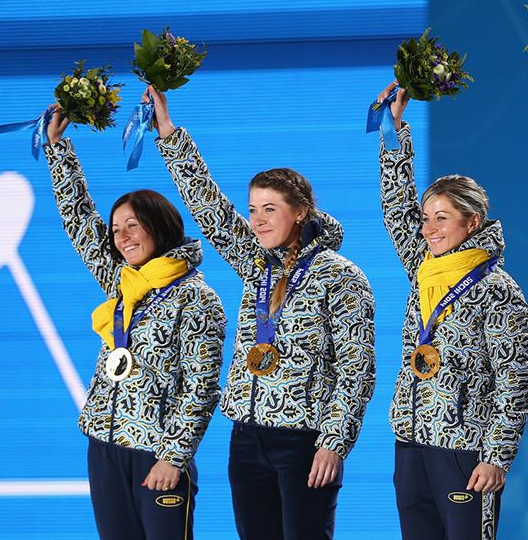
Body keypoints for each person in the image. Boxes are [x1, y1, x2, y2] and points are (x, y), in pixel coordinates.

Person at [144, 87, 377, 540]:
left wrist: (334, 443)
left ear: (301, 212)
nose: (258, 220)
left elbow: (358, 369)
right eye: (253, 210)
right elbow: (209, 208)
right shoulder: (256, 264)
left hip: (304, 440)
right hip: (247, 437)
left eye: (270, 209)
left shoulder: (341, 276)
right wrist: (168, 133)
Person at [42, 108, 226, 540]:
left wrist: (175, 456)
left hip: (156, 452)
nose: (121, 237)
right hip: (105, 446)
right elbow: (80, 223)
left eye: (133, 226)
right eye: (116, 229)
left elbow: (201, 387)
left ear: (159, 228)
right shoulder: (122, 282)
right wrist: (57, 150)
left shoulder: (196, 297)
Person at [375, 82, 528, 540]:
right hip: (411, 441)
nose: (427, 228)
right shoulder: (423, 268)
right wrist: (395, 130)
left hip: (466, 450)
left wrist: (497, 455)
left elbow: (515, 378)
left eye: (441, 217)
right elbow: (393, 209)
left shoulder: (498, 290)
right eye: (425, 217)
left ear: (472, 222)